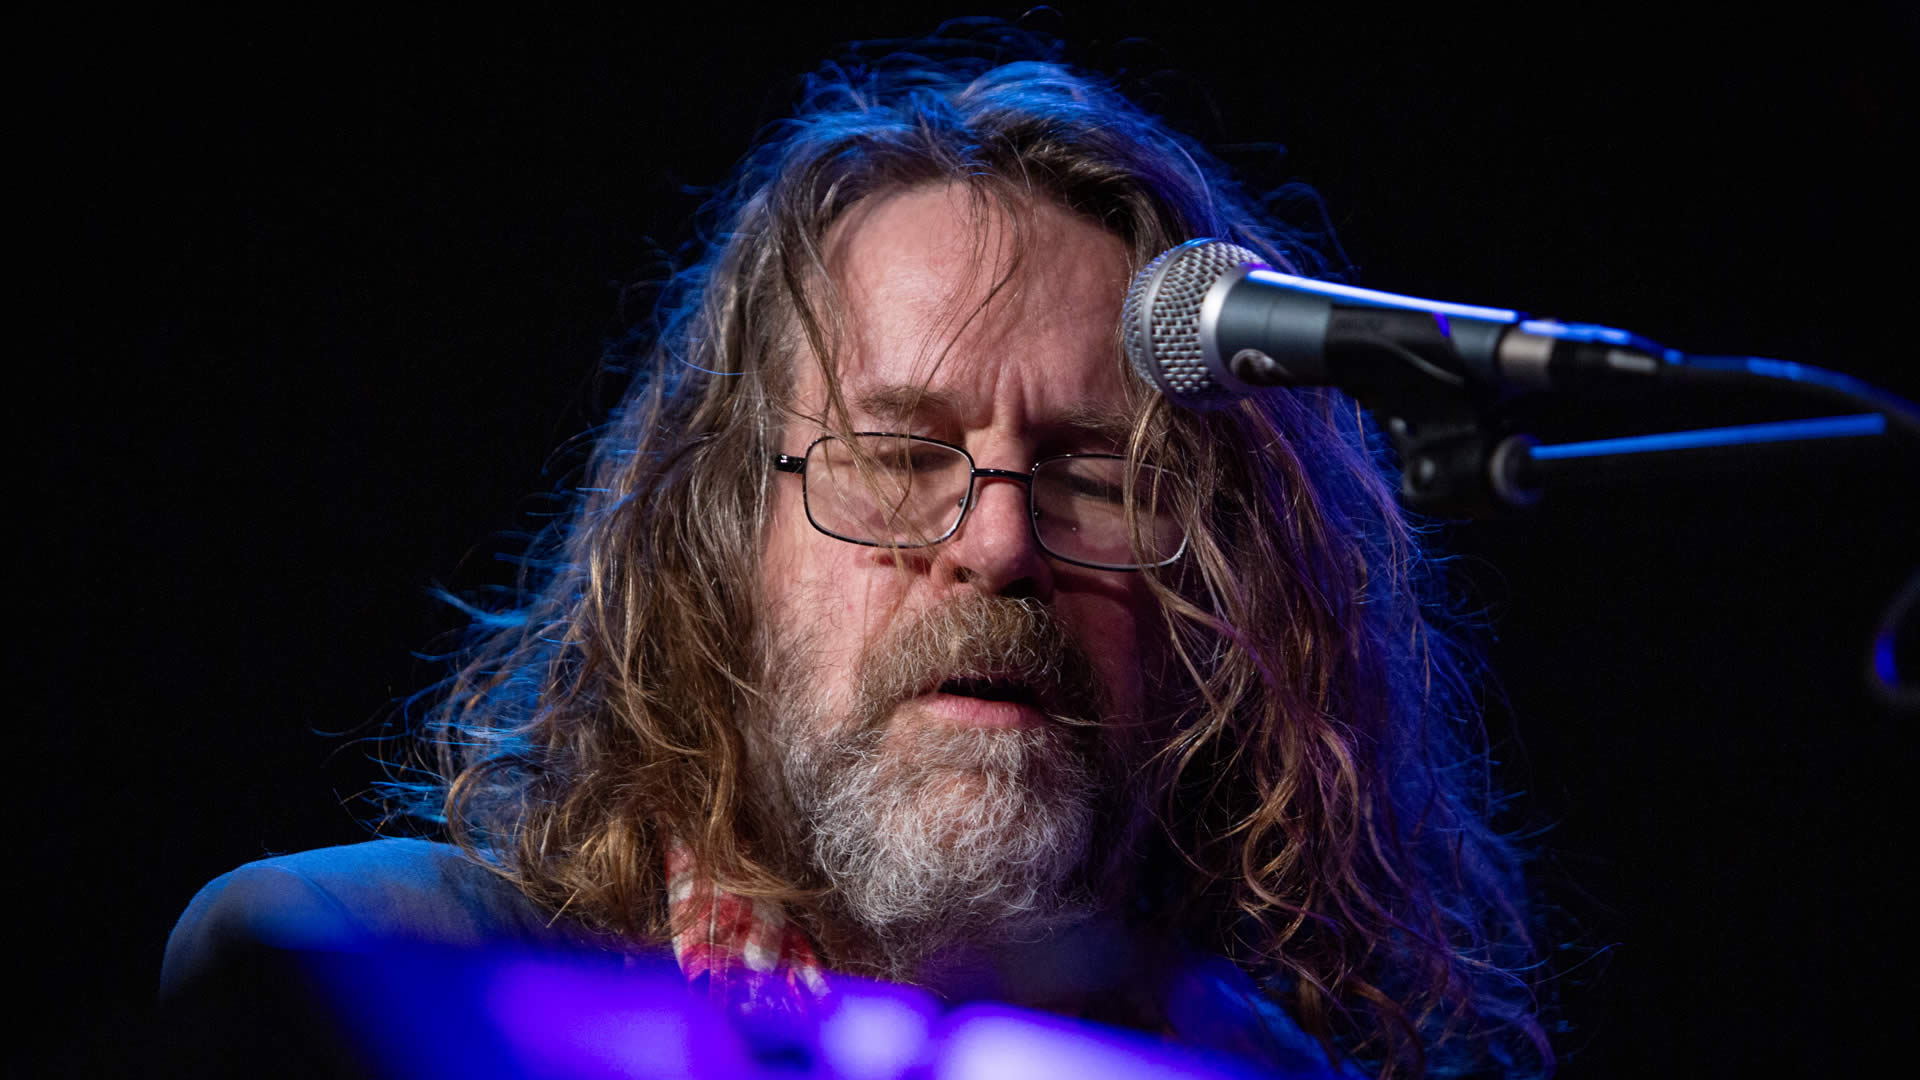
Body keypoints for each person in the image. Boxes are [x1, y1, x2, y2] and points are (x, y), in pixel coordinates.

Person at [164, 40, 1551, 1080]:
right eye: (898, 457)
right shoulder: (371, 976)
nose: (1000, 545)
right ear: (721, 549)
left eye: (1092, 478)